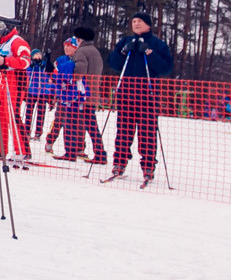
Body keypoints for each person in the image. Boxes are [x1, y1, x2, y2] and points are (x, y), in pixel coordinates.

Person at [107, 10, 175, 185]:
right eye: (133, 21)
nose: (135, 24)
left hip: (147, 96)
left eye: (139, 21)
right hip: (126, 94)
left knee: (147, 133)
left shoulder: (158, 44)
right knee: (123, 132)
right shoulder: (126, 41)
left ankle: (148, 166)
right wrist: (122, 52)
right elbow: (113, 63)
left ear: (148, 25)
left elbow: (165, 68)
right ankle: (119, 163)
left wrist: (150, 53)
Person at [48, 29, 108, 163]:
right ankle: (100, 153)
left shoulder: (82, 51)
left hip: (79, 95)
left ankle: (70, 152)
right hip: (91, 94)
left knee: (69, 122)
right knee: (91, 125)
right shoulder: (95, 52)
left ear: (80, 39)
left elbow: (79, 70)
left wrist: (67, 78)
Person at [0, 15, 33, 164]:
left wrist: (5, 61)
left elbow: (25, 61)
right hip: (2, 80)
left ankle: (23, 151)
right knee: (0, 115)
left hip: (14, 81)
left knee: (12, 115)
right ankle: (0, 149)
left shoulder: (17, 41)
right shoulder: (3, 43)